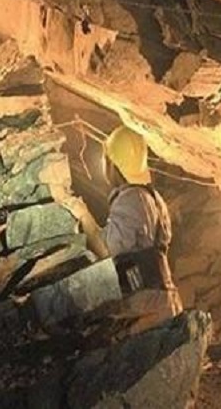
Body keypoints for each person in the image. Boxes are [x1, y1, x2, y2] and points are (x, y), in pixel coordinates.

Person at [81, 125, 183, 332]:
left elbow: (107, 250)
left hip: (145, 306)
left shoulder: (131, 199)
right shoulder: (154, 199)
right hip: (164, 299)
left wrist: (82, 215)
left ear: (112, 164)